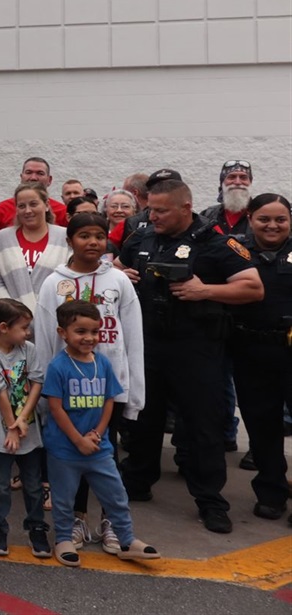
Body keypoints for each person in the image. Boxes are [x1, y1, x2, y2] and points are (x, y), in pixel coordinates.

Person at [117, 179, 263, 534]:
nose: (153, 216)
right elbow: (115, 262)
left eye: (161, 210)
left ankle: (210, 500)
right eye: (150, 208)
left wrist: (204, 290)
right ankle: (137, 482)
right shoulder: (144, 236)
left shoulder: (216, 242)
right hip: (149, 344)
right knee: (143, 419)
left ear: (186, 207)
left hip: (196, 349)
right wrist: (118, 271)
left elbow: (253, 287)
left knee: (202, 427)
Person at [34, 212, 144, 552]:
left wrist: (133, 388)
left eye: (99, 235)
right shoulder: (54, 283)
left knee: (104, 455)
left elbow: (133, 334)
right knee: (71, 457)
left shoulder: (120, 281)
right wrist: (42, 388)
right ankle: (76, 520)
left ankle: (111, 521)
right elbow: (43, 336)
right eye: (84, 236)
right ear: (70, 241)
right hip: (66, 387)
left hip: (107, 388)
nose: (93, 242)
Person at [43, 301, 160, 567]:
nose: (89, 338)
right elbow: (55, 407)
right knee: (63, 498)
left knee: (116, 495)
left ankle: (126, 538)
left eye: (94, 332)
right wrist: (77, 439)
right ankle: (63, 538)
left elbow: (110, 400)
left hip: (99, 448)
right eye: (80, 331)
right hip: (65, 450)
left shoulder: (103, 364)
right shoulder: (58, 366)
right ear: (63, 333)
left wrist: (97, 433)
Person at [232, 194, 292, 522]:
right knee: (262, 425)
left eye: (280, 219)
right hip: (251, 351)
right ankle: (271, 491)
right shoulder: (234, 251)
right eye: (264, 219)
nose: (272, 225)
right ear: (250, 218)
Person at [0, 298, 49, 559]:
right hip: (2, 434)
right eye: (23, 327)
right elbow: (0, 394)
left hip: (29, 432)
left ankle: (36, 528)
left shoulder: (28, 349)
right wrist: (11, 426)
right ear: (3, 328)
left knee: (33, 485)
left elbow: (36, 384)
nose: (28, 332)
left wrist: (23, 420)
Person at [0, 183, 70, 313]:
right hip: (13, 321)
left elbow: (70, 278)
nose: (27, 211)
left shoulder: (65, 237)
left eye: (33, 204)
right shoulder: (2, 239)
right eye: (21, 206)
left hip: (55, 317)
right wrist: (12, 311)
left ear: (47, 205)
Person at [0, 158, 69, 240]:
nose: (33, 178)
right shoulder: (2, 209)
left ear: (49, 180)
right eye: (28, 172)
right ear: (21, 177)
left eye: (40, 173)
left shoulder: (63, 212)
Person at [201, 160, 252, 237]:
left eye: (243, 177)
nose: (237, 182)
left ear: (250, 183)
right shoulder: (207, 215)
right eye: (232, 177)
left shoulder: (260, 215)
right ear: (222, 184)